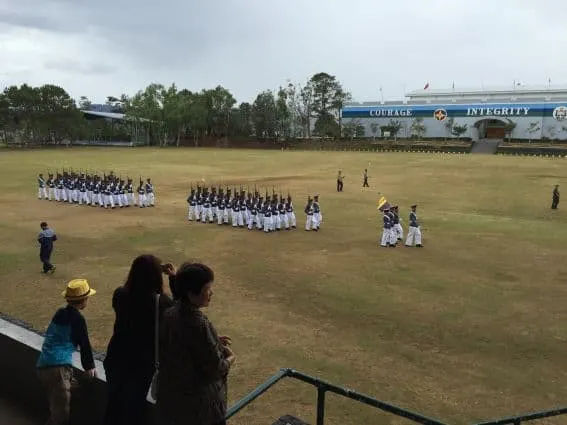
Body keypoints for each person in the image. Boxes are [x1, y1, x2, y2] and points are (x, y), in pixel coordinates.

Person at [156, 263, 236, 425]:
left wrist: (213, 339)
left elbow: (184, 345)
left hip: (171, 400)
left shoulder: (170, 313)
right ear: (191, 293)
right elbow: (215, 369)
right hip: (199, 409)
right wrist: (230, 359)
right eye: (207, 289)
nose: (211, 293)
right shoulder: (198, 325)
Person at [104, 255, 176, 425]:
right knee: (134, 410)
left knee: (114, 405)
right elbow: (180, 309)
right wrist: (173, 278)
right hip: (141, 364)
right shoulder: (161, 303)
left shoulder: (120, 295)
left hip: (116, 357)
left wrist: (153, 268)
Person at [36, 279, 97, 425]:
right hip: (58, 369)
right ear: (83, 301)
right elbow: (84, 344)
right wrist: (89, 366)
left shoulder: (60, 313)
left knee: (67, 399)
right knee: (61, 415)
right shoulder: (78, 319)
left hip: (44, 364)